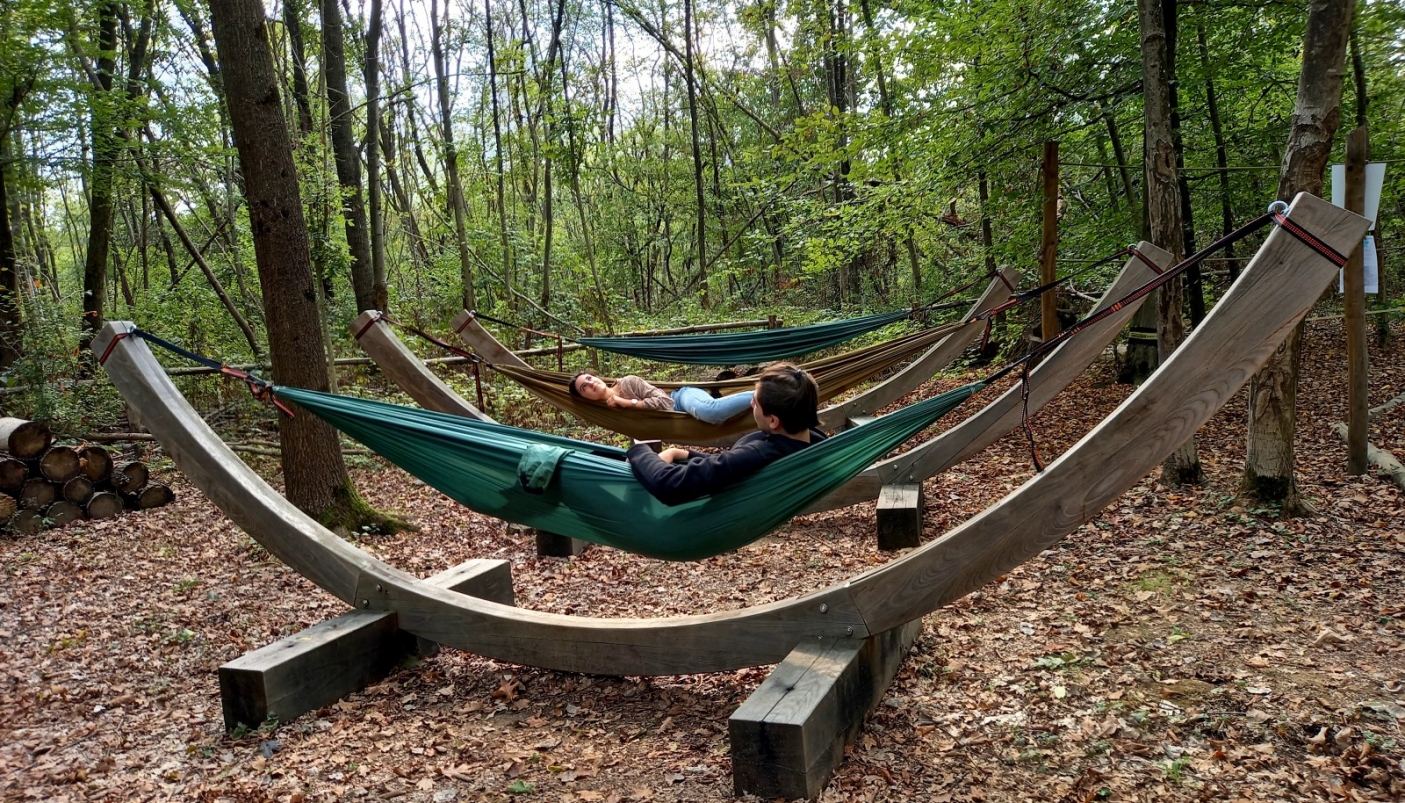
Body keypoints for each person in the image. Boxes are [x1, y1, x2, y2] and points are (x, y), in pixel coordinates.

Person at [627, 363, 825, 505]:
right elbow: (733, 465)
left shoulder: (762, 451)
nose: (750, 404)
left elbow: (669, 485)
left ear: (773, 421)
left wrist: (638, 450)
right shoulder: (814, 443)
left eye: (755, 402)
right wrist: (684, 454)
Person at [568, 372, 754, 425]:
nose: (591, 384)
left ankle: (762, 393)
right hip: (677, 422)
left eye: (589, 378)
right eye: (584, 387)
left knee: (712, 412)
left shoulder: (628, 383)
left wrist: (627, 402)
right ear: (585, 398)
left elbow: (666, 403)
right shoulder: (606, 413)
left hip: (681, 397)